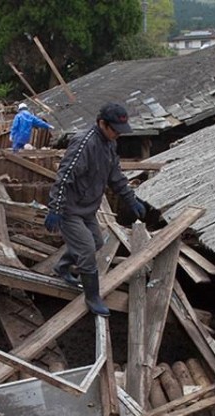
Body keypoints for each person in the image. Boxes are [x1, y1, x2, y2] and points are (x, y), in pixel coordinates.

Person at [45, 102, 146, 316]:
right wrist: (55, 209)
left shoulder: (110, 144)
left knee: (97, 242)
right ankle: (92, 297)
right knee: (87, 250)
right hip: (69, 209)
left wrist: (131, 200)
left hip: (87, 208)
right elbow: (63, 179)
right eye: (115, 131)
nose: (118, 135)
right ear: (102, 123)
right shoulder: (84, 144)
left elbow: (115, 176)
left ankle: (62, 267)